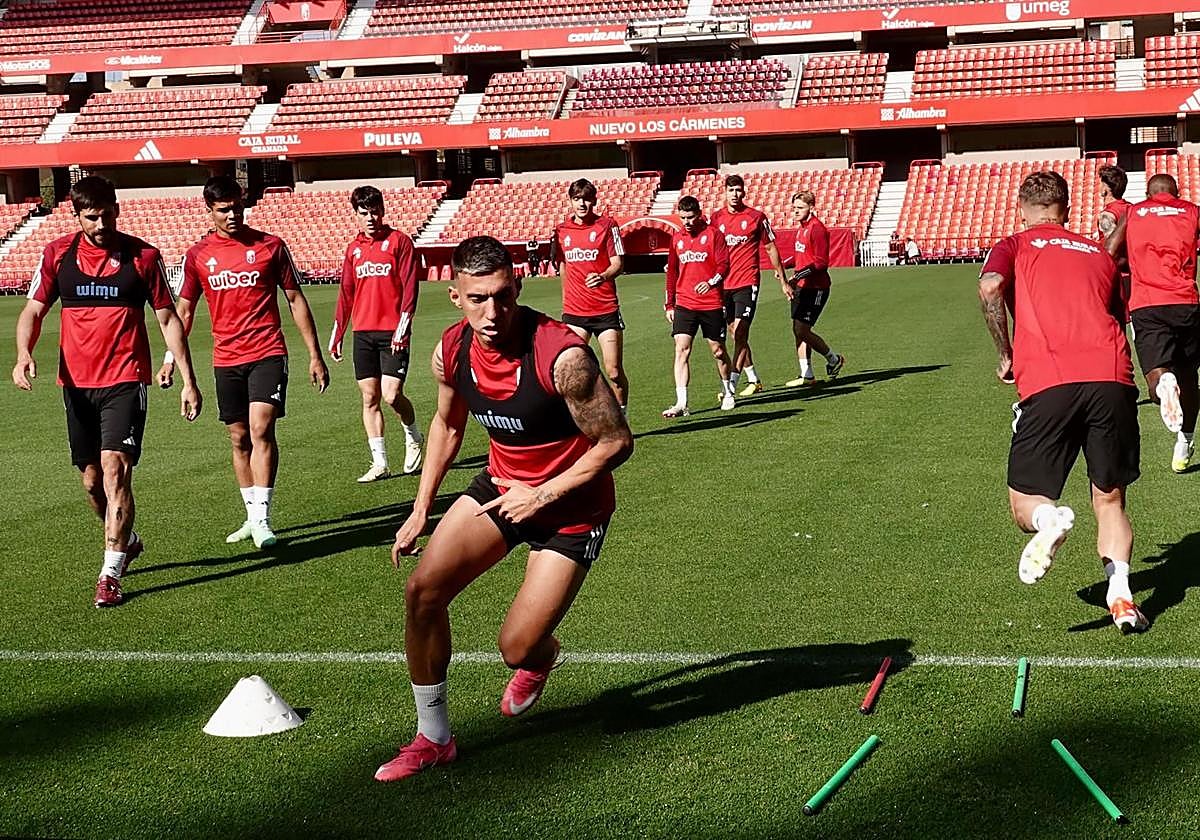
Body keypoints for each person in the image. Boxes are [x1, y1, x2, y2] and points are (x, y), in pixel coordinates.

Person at [376, 235, 633, 782]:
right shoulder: (451, 350)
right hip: (499, 488)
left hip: (572, 509)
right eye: (478, 299)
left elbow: (616, 443)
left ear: (517, 288)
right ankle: (434, 737)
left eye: (503, 296)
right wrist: (421, 508)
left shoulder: (564, 358)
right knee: (422, 590)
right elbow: (448, 425)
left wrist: (541, 493)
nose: (492, 313)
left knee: (515, 648)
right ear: (455, 296)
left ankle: (539, 659)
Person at [12, 175, 202, 608]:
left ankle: (110, 573)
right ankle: (127, 540)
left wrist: (188, 379)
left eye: (107, 214)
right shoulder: (58, 255)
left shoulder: (143, 257)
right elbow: (34, 310)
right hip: (76, 385)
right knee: (92, 482)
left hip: (125, 379)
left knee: (115, 470)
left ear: (117, 209)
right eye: (91, 217)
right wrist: (23, 352)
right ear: (77, 215)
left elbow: (169, 320)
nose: (101, 224)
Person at [979, 170, 1146, 634]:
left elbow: (991, 286)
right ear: (1067, 210)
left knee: (1023, 504)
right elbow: (1117, 311)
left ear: (1021, 209)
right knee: (1110, 499)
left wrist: (1004, 354)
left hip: (1051, 378)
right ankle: (1122, 598)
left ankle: (1050, 519)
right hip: (1112, 376)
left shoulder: (1014, 244)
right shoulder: (1097, 251)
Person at [161, 175, 329, 549]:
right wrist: (170, 359)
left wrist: (315, 355)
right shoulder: (198, 256)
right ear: (210, 211)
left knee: (260, 428)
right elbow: (183, 311)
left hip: (268, 351)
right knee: (238, 439)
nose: (233, 214)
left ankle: (263, 519)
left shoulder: (271, 246)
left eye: (238, 207)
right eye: (224, 210)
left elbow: (295, 300)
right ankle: (251, 516)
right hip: (226, 359)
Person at [328, 185, 424, 483]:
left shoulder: (400, 242)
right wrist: (338, 331)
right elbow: (346, 292)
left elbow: (410, 288)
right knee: (369, 398)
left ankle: (413, 436)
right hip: (363, 333)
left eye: (374, 211)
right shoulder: (354, 249)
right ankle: (379, 462)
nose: (370, 218)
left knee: (392, 395)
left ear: (383, 210)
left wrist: (402, 328)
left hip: (393, 332)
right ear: (356, 215)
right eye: (363, 213)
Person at [1106, 173, 1200, 473]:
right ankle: (1184, 443)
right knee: (1190, 380)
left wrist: (1132, 263)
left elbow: (1109, 251)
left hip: (1148, 303)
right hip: (1186, 303)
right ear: (1177, 192)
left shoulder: (1134, 212)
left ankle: (1162, 385)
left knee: (1156, 378)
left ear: (1148, 193)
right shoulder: (1192, 210)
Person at [552, 179, 628, 411]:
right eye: (577, 199)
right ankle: (574, 423)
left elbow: (618, 263)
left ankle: (622, 416)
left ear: (594, 200)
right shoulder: (561, 230)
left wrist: (603, 276)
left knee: (613, 372)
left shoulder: (607, 226)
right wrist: (566, 299)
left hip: (605, 310)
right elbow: (563, 266)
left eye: (586, 198)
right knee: (569, 370)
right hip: (575, 313)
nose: (582, 204)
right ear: (571, 201)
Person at [709, 174, 786, 397]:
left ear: (744, 192)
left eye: (738, 190)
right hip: (723, 284)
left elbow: (771, 247)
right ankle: (753, 379)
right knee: (735, 334)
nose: (735, 194)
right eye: (731, 190)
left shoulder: (756, 217)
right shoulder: (715, 219)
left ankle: (731, 384)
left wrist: (782, 279)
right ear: (724, 192)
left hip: (747, 281)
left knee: (741, 331)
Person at [662, 195, 736, 417]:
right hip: (684, 303)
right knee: (681, 349)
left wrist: (711, 282)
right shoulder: (677, 238)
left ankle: (728, 390)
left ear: (699, 214)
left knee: (718, 351)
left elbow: (724, 265)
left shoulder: (713, 235)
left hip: (711, 302)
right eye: (682, 217)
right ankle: (682, 402)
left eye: (690, 217)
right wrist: (669, 304)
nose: (686, 222)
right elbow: (672, 271)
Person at [783, 191, 845, 387]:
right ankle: (807, 374)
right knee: (798, 330)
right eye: (794, 208)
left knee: (802, 329)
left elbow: (820, 263)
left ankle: (834, 359)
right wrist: (783, 264)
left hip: (816, 287)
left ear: (812, 208)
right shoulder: (802, 228)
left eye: (800, 208)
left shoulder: (817, 229)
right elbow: (802, 256)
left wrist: (795, 277)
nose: (795, 212)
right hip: (802, 286)